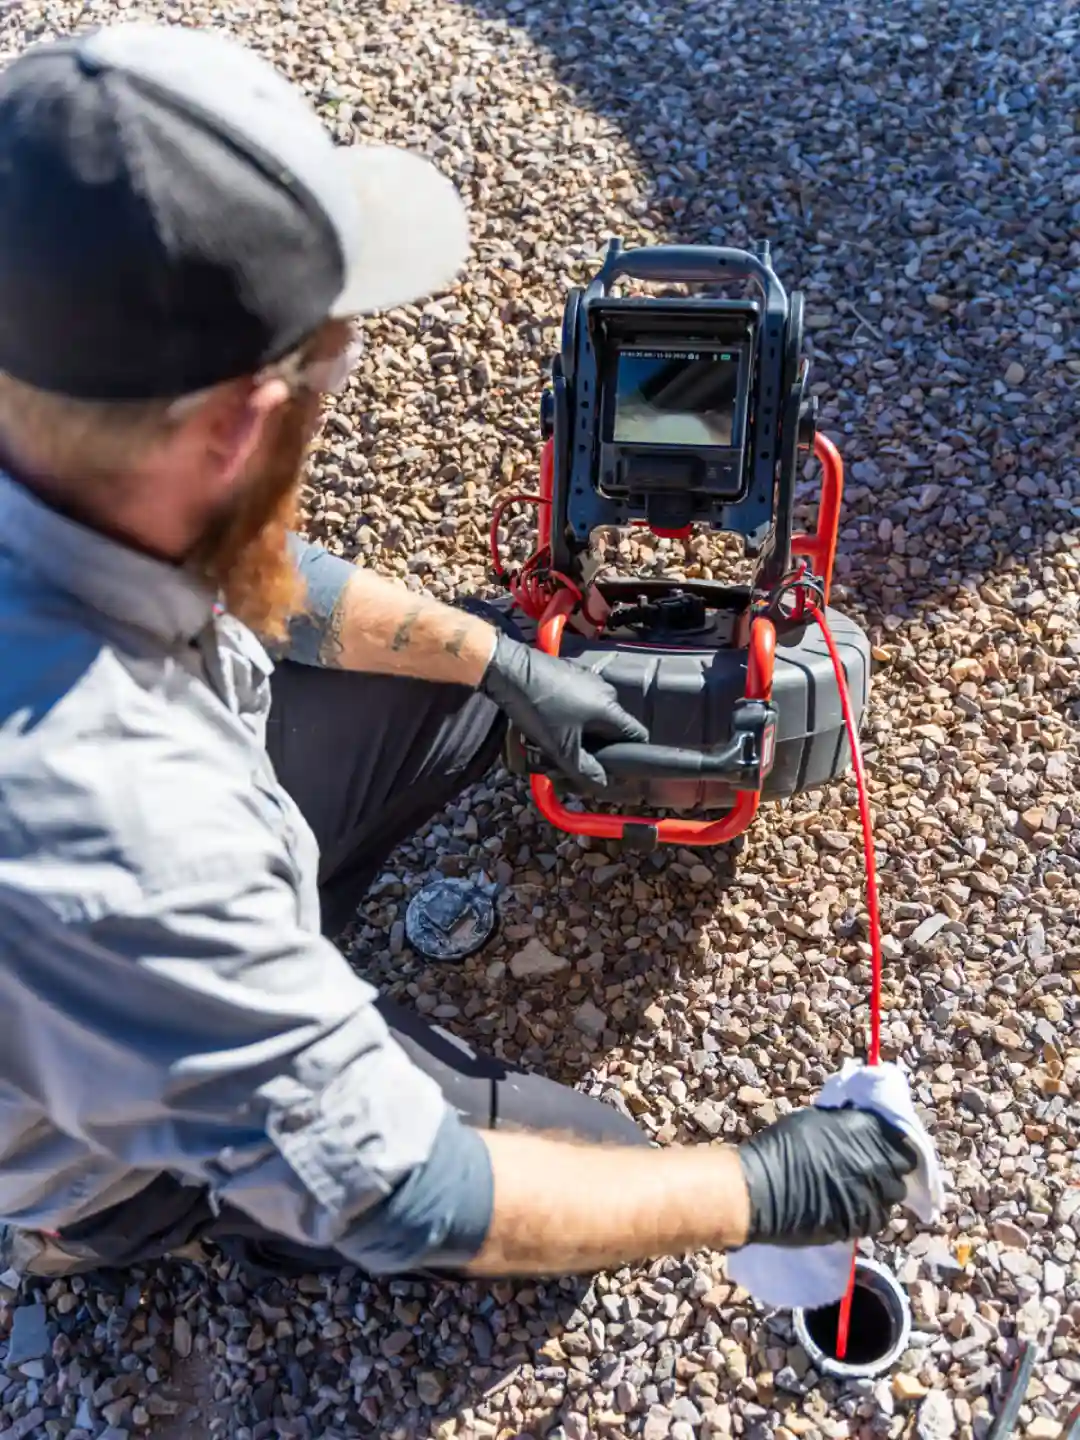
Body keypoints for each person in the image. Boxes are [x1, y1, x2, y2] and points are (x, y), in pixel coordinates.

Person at [0, 22, 918, 1285]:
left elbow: (282, 582)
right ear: (239, 424)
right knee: (605, 1163)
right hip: (118, 1123)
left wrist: (507, 668)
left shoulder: (61, 422)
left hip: (155, 878)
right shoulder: (117, 826)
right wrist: (760, 1185)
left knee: (469, 668)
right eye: (328, 358)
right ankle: (87, 1228)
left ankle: (303, 931)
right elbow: (404, 1194)